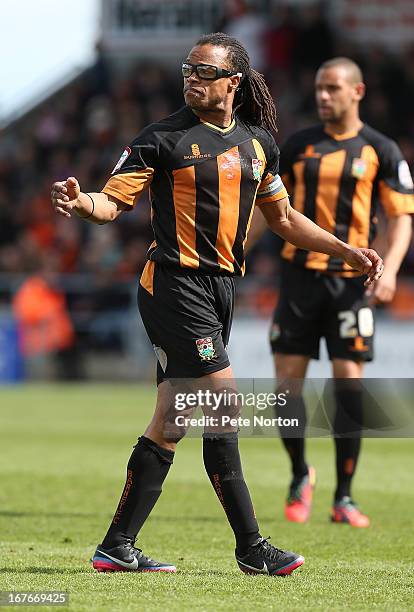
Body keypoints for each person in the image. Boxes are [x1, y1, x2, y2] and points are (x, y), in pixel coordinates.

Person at [51, 37, 383, 576]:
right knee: (223, 404)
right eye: (188, 69)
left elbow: (284, 219)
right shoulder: (161, 139)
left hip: (220, 290)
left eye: (205, 70)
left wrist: (345, 249)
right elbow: (111, 202)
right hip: (173, 285)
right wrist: (81, 202)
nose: (192, 78)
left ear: (234, 81)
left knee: (171, 421)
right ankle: (252, 548)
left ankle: (116, 546)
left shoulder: (259, 144)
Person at [249, 57, 414, 527]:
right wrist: (236, 250)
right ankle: (301, 472)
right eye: (320, 88)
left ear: (356, 92)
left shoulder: (382, 150)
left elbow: (401, 217)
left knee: (348, 387)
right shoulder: (297, 146)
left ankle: (344, 496)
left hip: (351, 285)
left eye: (333, 89)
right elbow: (271, 210)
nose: (324, 96)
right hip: (298, 278)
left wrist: (391, 269)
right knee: (286, 389)